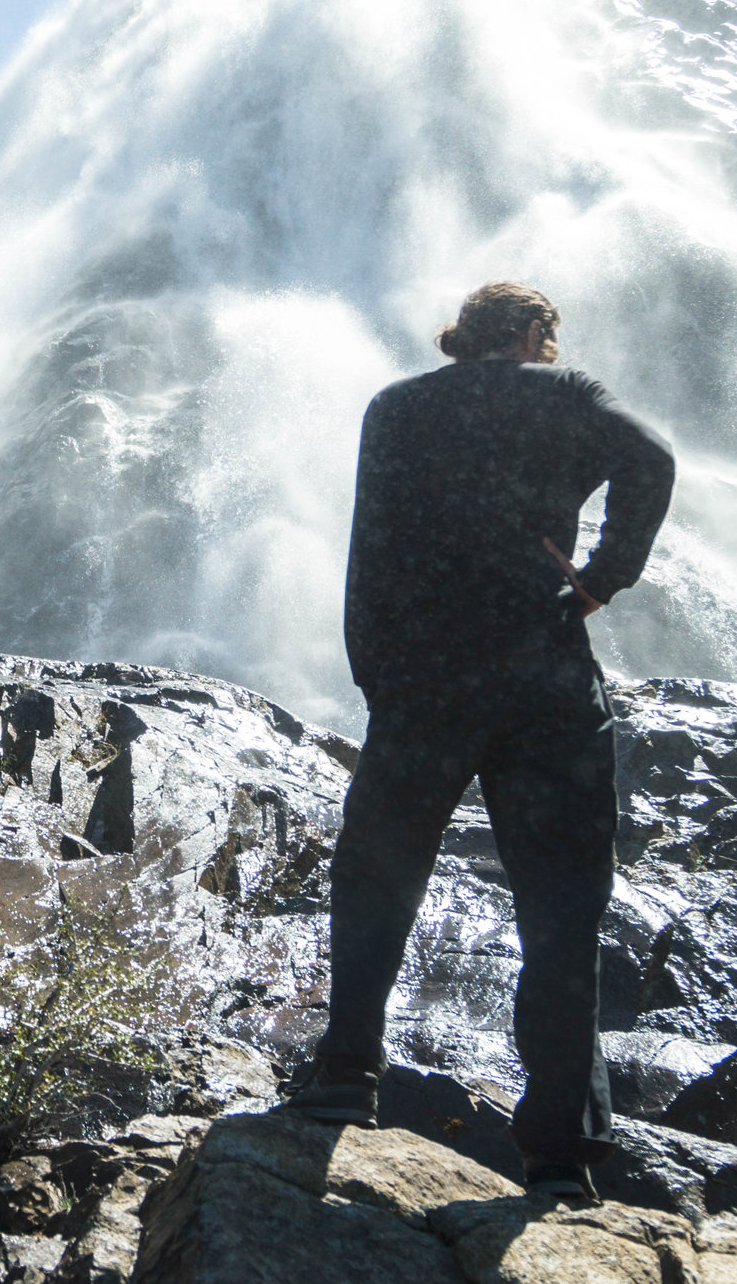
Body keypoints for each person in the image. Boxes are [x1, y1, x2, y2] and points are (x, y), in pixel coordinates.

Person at [287, 281, 675, 1205]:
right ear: (538, 333)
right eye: (552, 330)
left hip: (424, 676)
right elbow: (652, 459)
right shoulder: (568, 394)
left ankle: (345, 1076)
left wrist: (375, 669)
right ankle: (559, 1153)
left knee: (379, 870)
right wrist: (602, 578)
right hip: (542, 671)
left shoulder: (398, 406)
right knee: (561, 903)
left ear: (463, 339)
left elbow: (369, 542)